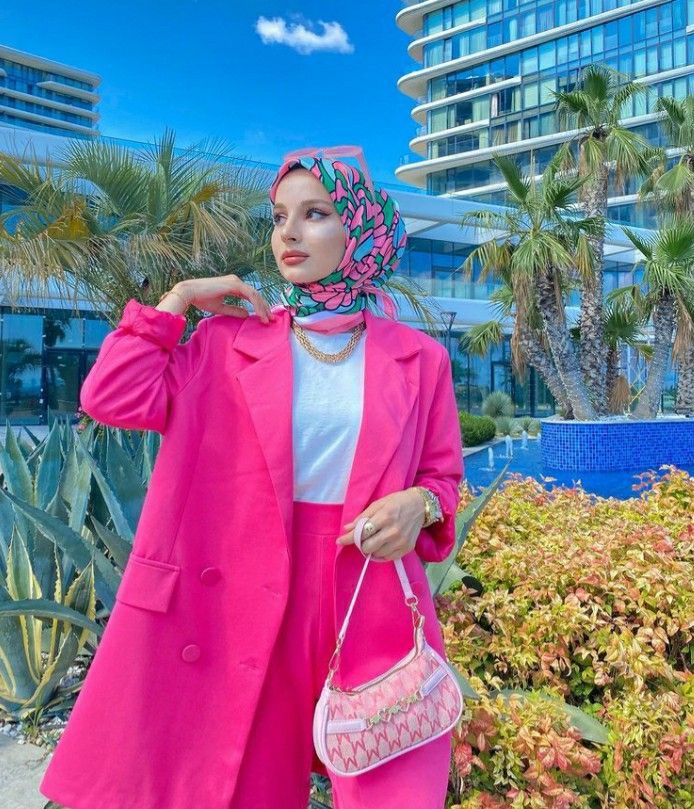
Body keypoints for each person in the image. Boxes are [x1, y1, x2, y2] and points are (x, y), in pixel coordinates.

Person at [39, 147, 464, 809]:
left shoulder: (419, 357)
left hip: (368, 594)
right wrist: (178, 300)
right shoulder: (226, 343)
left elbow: (442, 476)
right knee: (245, 789)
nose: (289, 232)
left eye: (315, 213)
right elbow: (110, 396)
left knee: (394, 794)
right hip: (242, 599)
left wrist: (419, 503)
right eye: (279, 217)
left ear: (358, 228)